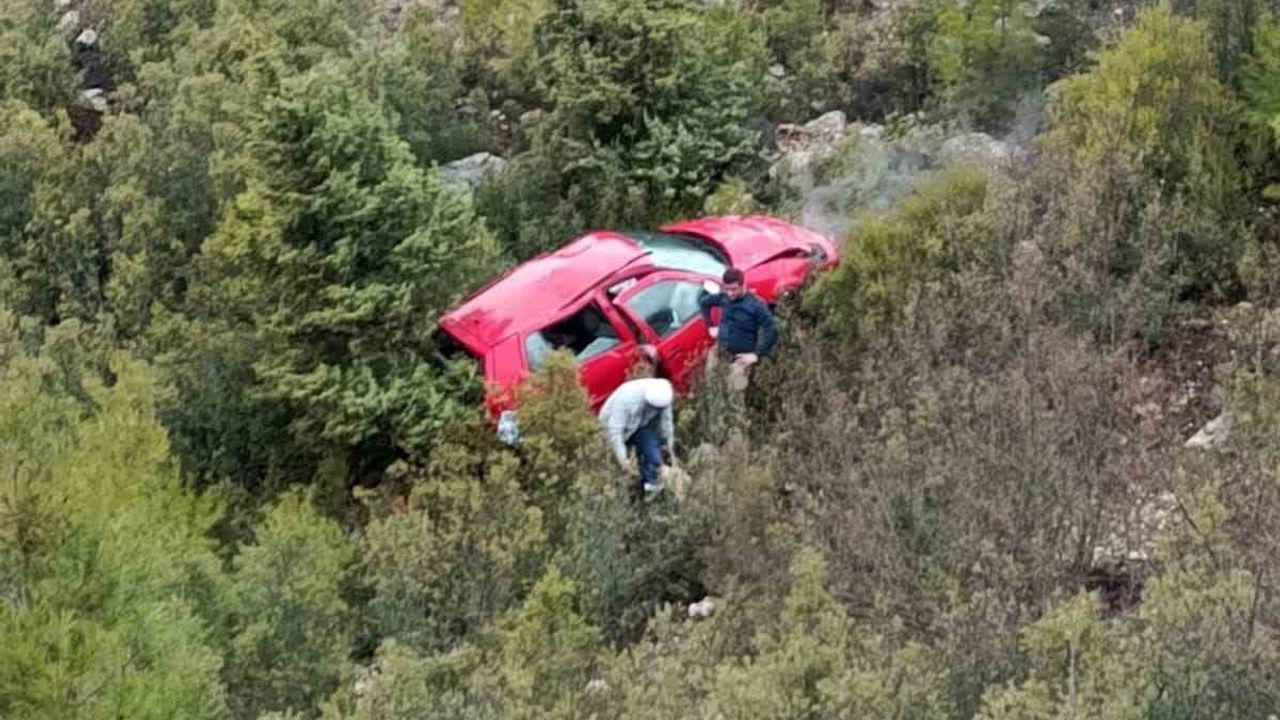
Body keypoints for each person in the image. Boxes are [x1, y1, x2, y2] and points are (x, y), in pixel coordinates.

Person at [598, 378, 676, 495]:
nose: (655, 410)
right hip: (616, 427)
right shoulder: (627, 399)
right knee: (615, 467)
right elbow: (615, 431)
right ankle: (624, 495)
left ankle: (652, 491)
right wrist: (623, 459)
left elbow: (666, 422)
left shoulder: (663, 398)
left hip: (641, 426)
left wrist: (669, 446)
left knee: (654, 460)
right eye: (653, 407)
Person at [699, 267, 778, 382]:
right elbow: (704, 303)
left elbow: (772, 329)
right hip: (719, 353)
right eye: (727, 289)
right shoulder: (724, 297)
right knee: (712, 386)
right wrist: (710, 326)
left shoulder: (756, 305)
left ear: (743, 285)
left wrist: (756, 354)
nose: (730, 293)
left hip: (740, 361)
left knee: (735, 394)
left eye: (734, 289)